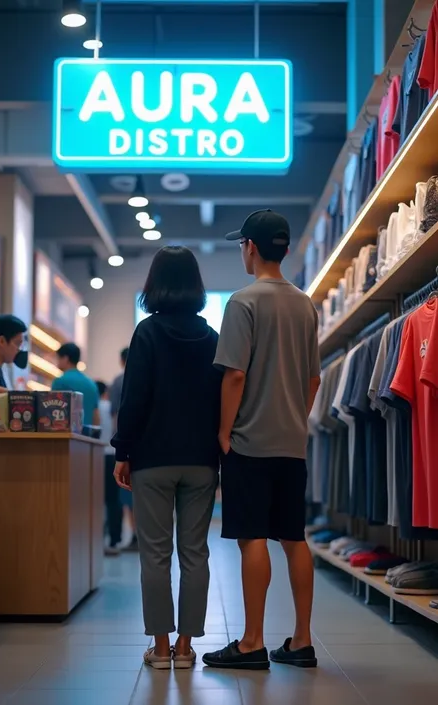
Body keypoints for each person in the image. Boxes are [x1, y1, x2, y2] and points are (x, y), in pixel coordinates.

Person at [203, 210, 321, 671]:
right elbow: (312, 380)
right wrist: (293, 419)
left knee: (252, 537)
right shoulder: (305, 305)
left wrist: (223, 430)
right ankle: (303, 641)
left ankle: (252, 642)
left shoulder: (243, 302)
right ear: (285, 249)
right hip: (292, 443)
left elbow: (234, 375)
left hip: (249, 442)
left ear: (250, 247)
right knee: (294, 538)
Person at [112, 246, 221, 670]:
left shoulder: (147, 334)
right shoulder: (211, 336)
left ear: (153, 285)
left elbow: (134, 398)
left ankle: (160, 649)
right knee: (195, 553)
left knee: (154, 554)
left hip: (153, 459)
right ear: (196, 285)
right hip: (200, 460)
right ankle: (187, 647)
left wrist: (124, 451)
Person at [110, 347, 137, 551]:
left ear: (122, 361)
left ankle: (135, 536)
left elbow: (116, 415)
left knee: (127, 494)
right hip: (147, 445)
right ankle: (140, 536)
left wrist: (120, 446)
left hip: (127, 446)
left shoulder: (120, 381)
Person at [97, 380, 123, 556]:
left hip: (96, 455)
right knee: (114, 501)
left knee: (95, 500)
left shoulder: (96, 406)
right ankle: (115, 539)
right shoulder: (110, 406)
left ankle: (96, 537)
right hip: (113, 455)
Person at [53, 342, 100, 426]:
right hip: (86, 435)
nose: (57, 362)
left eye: (58, 358)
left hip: (67, 435)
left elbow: (53, 411)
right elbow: (96, 415)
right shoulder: (92, 384)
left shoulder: (60, 382)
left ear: (66, 358)